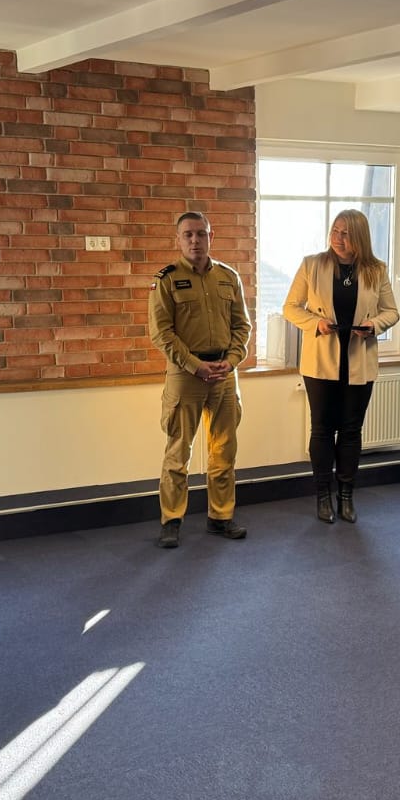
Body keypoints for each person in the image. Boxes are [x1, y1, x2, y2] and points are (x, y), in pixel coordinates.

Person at [282, 210, 400, 524]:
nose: (338, 238)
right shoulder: (312, 264)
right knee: (322, 429)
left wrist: (374, 325)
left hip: (359, 359)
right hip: (321, 362)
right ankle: (323, 496)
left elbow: (391, 311)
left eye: (345, 233)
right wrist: (315, 323)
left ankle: (346, 497)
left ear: (359, 237)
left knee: (351, 430)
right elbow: (290, 307)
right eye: (335, 231)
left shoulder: (376, 269)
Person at [148, 210, 251, 549]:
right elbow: (162, 333)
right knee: (178, 452)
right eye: (188, 234)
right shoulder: (166, 280)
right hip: (186, 375)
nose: (195, 240)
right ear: (178, 240)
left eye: (201, 234)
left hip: (223, 373)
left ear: (211, 237)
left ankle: (220, 517)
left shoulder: (228, 277)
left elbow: (242, 326)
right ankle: (171, 521)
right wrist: (196, 366)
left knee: (224, 449)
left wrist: (231, 361)